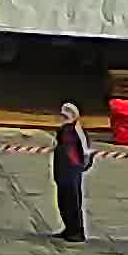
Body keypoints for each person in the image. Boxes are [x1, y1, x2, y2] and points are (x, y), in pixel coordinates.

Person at [49, 104, 93, 243]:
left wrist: (81, 167)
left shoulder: (77, 130)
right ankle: (68, 228)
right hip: (62, 170)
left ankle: (76, 231)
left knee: (72, 201)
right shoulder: (63, 130)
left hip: (71, 169)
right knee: (63, 201)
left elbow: (85, 152)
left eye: (66, 116)